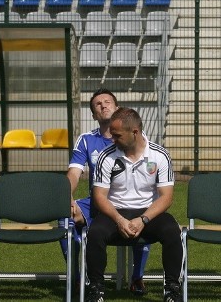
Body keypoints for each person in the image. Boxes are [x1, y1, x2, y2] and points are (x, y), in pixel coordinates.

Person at [85, 107, 183, 302]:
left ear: (135, 132)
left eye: (117, 135)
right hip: (114, 213)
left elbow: (166, 197)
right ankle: (96, 290)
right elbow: (99, 197)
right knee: (95, 232)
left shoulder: (159, 156)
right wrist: (119, 219)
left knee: (172, 230)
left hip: (148, 213)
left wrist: (143, 219)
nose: (112, 139)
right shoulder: (106, 156)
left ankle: (172, 290)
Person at [62, 88, 151, 295]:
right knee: (63, 217)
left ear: (117, 108)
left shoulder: (135, 137)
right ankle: (79, 277)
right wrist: (67, 198)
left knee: (143, 218)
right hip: (97, 202)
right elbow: (74, 174)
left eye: (108, 101)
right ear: (93, 115)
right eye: (97, 104)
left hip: (130, 202)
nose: (103, 105)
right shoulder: (86, 139)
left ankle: (137, 277)